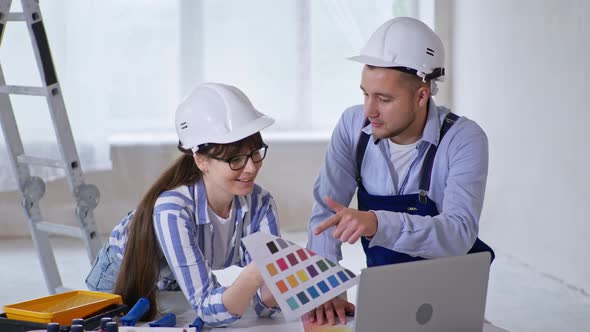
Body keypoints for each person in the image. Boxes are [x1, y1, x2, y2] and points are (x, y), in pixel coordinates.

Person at [306, 17, 494, 325]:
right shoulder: (353, 127)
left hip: (450, 297)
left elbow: (458, 233)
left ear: (422, 96)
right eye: (365, 93)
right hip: (384, 292)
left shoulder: (463, 139)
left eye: (384, 99)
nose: (369, 111)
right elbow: (325, 213)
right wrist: (327, 281)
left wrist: (378, 222)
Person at [86, 83, 281, 327]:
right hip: (123, 280)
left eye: (255, 153)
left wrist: (281, 274)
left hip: (173, 281)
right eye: (236, 159)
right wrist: (258, 271)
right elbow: (209, 309)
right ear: (201, 160)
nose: (251, 167)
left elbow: (266, 306)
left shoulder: (261, 203)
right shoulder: (172, 210)